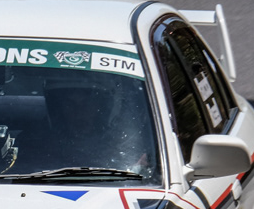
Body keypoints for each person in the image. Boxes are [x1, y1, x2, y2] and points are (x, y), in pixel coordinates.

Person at [13, 74, 154, 174]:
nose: (79, 111)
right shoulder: (34, 143)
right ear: (59, 108)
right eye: (70, 104)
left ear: (102, 106)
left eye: (87, 103)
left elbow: (137, 177)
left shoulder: (126, 145)